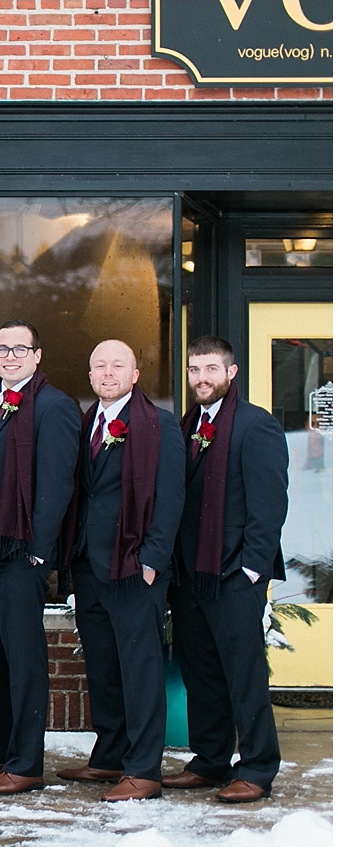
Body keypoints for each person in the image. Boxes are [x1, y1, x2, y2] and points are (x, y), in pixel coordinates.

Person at [56, 340, 185, 802]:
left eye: (117, 366)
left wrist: (152, 560)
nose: (107, 373)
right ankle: (110, 754)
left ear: (135, 375)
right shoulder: (85, 422)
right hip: (89, 564)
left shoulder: (159, 426)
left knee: (139, 668)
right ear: (90, 376)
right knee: (104, 667)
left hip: (134, 566)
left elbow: (171, 499)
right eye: (99, 366)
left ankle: (144, 769)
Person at [163, 335, 288, 804]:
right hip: (192, 574)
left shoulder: (257, 426)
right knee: (202, 672)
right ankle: (210, 759)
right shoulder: (188, 424)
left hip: (234, 574)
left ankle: (256, 767)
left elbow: (270, 504)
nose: (201, 378)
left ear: (231, 373)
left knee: (244, 673)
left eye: (210, 369)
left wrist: (253, 571)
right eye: (195, 370)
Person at [0, 319, 80, 796]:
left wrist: (38, 555)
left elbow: (57, 484)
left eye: (19, 349)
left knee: (24, 660)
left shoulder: (54, 407)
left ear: (37, 355)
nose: (10, 356)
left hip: (19, 552)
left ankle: (26, 764)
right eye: (2, 349)